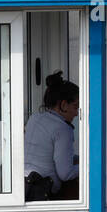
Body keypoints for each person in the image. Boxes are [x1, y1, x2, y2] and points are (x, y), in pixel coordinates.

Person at [24, 72, 80, 200]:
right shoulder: (63, 129)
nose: (77, 113)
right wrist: (88, 165)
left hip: (26, 186)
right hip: (45, 193)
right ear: (64, 105)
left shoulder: (34, 118)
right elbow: (66, 174)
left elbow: (46, 152)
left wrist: (76, 158)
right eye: (75, 107)